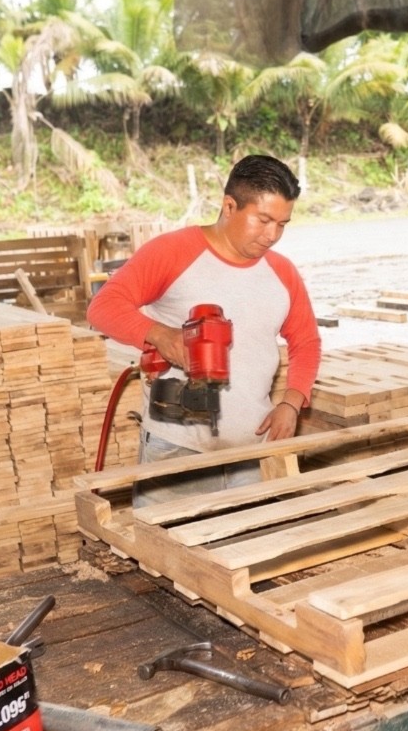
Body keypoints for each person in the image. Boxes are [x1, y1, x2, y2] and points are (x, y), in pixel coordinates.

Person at [87, 155, 321, 504]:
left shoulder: (282, 273)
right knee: (165, 549)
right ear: (229, 206)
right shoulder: (173, 252)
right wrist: (161, 335)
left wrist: (291, 401)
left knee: (250, 549)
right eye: (263, 220)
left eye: (283, 224)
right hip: (177, 450)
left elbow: (306, 340)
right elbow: (102, 307)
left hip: (251, 453)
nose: (272, 235)